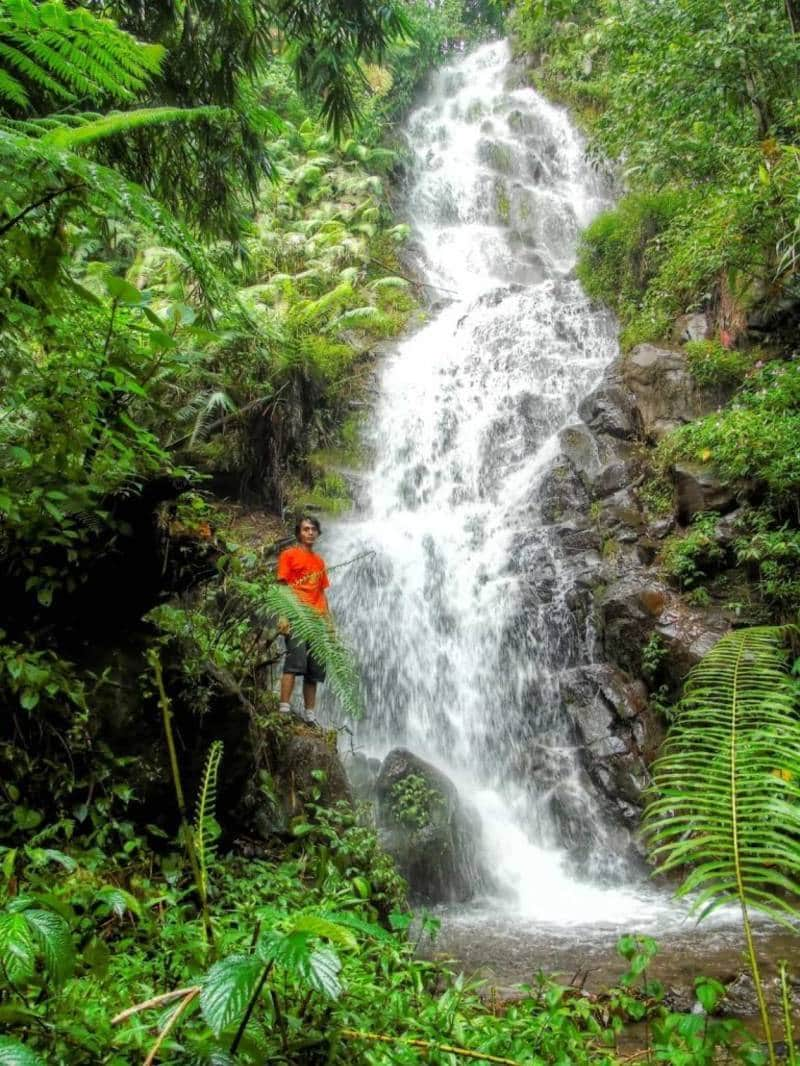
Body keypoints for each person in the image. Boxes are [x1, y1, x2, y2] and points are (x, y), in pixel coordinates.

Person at [276, 514, 330, 723]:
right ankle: (283, 708)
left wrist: (329, 624)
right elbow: (282, 586)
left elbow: (323, 593)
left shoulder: (319, 562)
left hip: (317, 620)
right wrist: (283, 615)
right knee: (294, 662)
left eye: (313, 529)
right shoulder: (288, 555)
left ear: (317, 533)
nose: (310, 532)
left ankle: (310, 714)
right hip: (297, 616)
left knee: (314, 670)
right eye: (306, 529)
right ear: (299, 532)